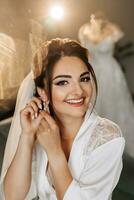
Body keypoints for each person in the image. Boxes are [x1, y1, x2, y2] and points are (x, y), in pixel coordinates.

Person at [0, 38, 125, 200]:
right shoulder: (39, 130)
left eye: (84, 79)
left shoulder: (108, 137)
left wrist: (55, 151)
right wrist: (27, 137)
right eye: (63, 82)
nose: (78, 91)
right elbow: (12, 197)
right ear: (43, 92)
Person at [78, 16, 134, 158]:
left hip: (111, 73)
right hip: (93, 73)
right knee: (95, 106)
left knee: (115, 106)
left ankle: (120, 144)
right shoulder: (85, 31)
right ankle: (95, 148)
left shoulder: (113, 30)